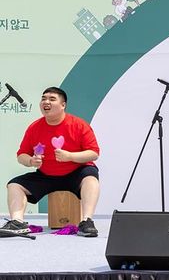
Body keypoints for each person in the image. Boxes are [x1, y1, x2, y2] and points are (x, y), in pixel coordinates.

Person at [2, 87, 100, 237]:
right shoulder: (34, 127)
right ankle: (17, 222)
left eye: (52, 99)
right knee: (14, 185)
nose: (46, 102)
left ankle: (86, 221)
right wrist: (30, 160)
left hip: (76, 173)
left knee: (91, 177)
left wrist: (70, 156)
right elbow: (21, 155)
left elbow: (93, 153)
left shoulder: (79, 125)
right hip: (46, 175)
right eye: (43, 98)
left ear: (63, 105)